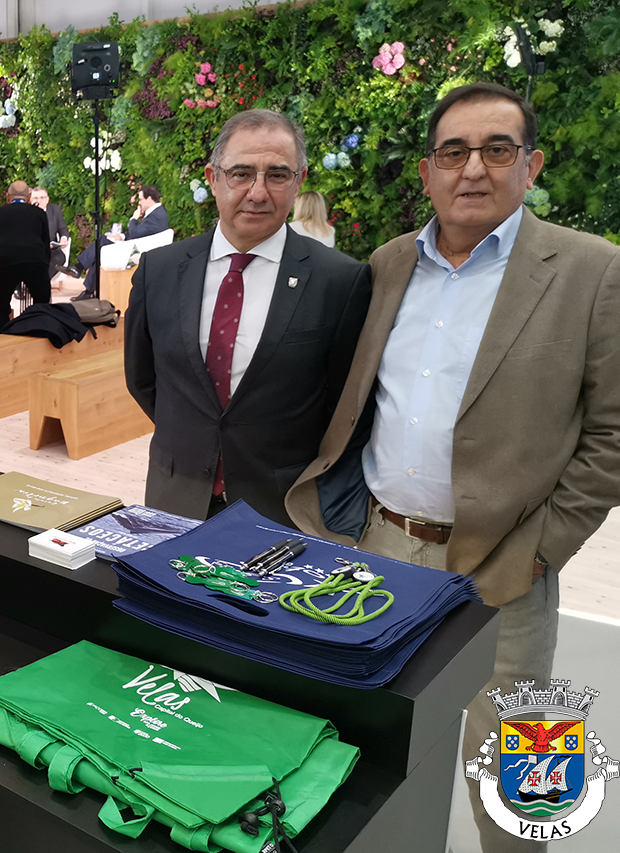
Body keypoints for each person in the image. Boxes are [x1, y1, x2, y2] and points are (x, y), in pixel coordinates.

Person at [284, 82, 620, 853]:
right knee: (366, 740)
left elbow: (614, 431)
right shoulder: (390, 263)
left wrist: (544, 547)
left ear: (531, 165)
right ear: (428, 171)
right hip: (376, 551)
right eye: (453, 151)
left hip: (506, 565)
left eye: (497, 149)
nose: (473, 168)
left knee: (520, 773)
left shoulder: (593, 271)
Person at [125, 110, 372, 525]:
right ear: (213, 178)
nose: (258, 193)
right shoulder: (159, 270)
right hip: (175, 497)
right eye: (241, 174)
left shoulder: (339, 281)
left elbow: (344, 407)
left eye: (277, 175)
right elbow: (143, 379)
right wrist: (198, 436)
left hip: (281, 509)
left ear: (299, 181)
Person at [62, 184, 169, 300]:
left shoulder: (157, 216)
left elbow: (135, 233)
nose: (139, 203)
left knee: (102, 241)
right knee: (99, 251)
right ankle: (88, 290)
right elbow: (139, 233)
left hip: (137, 254)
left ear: (149, 199)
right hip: (136, 247)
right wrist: (120, 237)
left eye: (141, 199)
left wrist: (134, 218)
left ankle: (79, 269)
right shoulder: (156, 213)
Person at [0, 180, 51, 329]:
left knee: (1, 306)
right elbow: (45, 243)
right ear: (28, 198)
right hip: (36, 261)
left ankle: (4, 335)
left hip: (6, 262)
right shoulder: (39, 213)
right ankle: (39, 333)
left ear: (7, 197)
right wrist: (44, 268)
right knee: (42, 304)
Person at [30, 186, 70, 279]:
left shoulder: (55, 210)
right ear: (31, 200)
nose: (39, 201)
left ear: (47, 199)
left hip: (50, 249)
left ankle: (39, 281)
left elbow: (62, 228)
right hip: (32, 249)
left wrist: (63, 238)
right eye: (35, 198)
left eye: (42, 198)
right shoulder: (26, 212)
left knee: (60, 257)